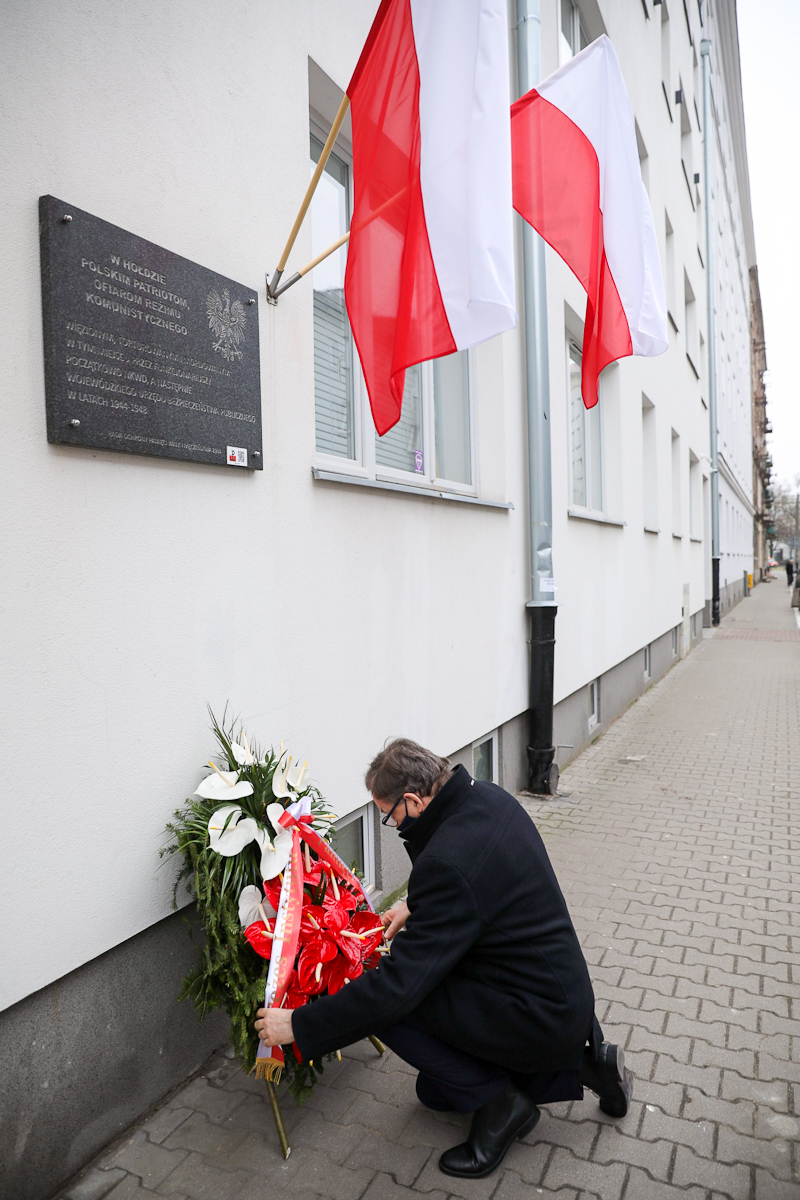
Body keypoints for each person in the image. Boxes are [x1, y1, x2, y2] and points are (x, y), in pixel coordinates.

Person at [256, 739, 632, 1179]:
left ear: (413, 800)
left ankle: (502, 1106)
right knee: (435, 1087)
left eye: (390, 814)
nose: (393, 826)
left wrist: (298, 1025)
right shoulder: (487, 796)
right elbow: (485, 876)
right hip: (559, 993)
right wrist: (415, 905)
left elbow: (395, 990)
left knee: (390, 1004)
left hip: (538, 1014)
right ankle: (590, 1064)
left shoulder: (449, 863)